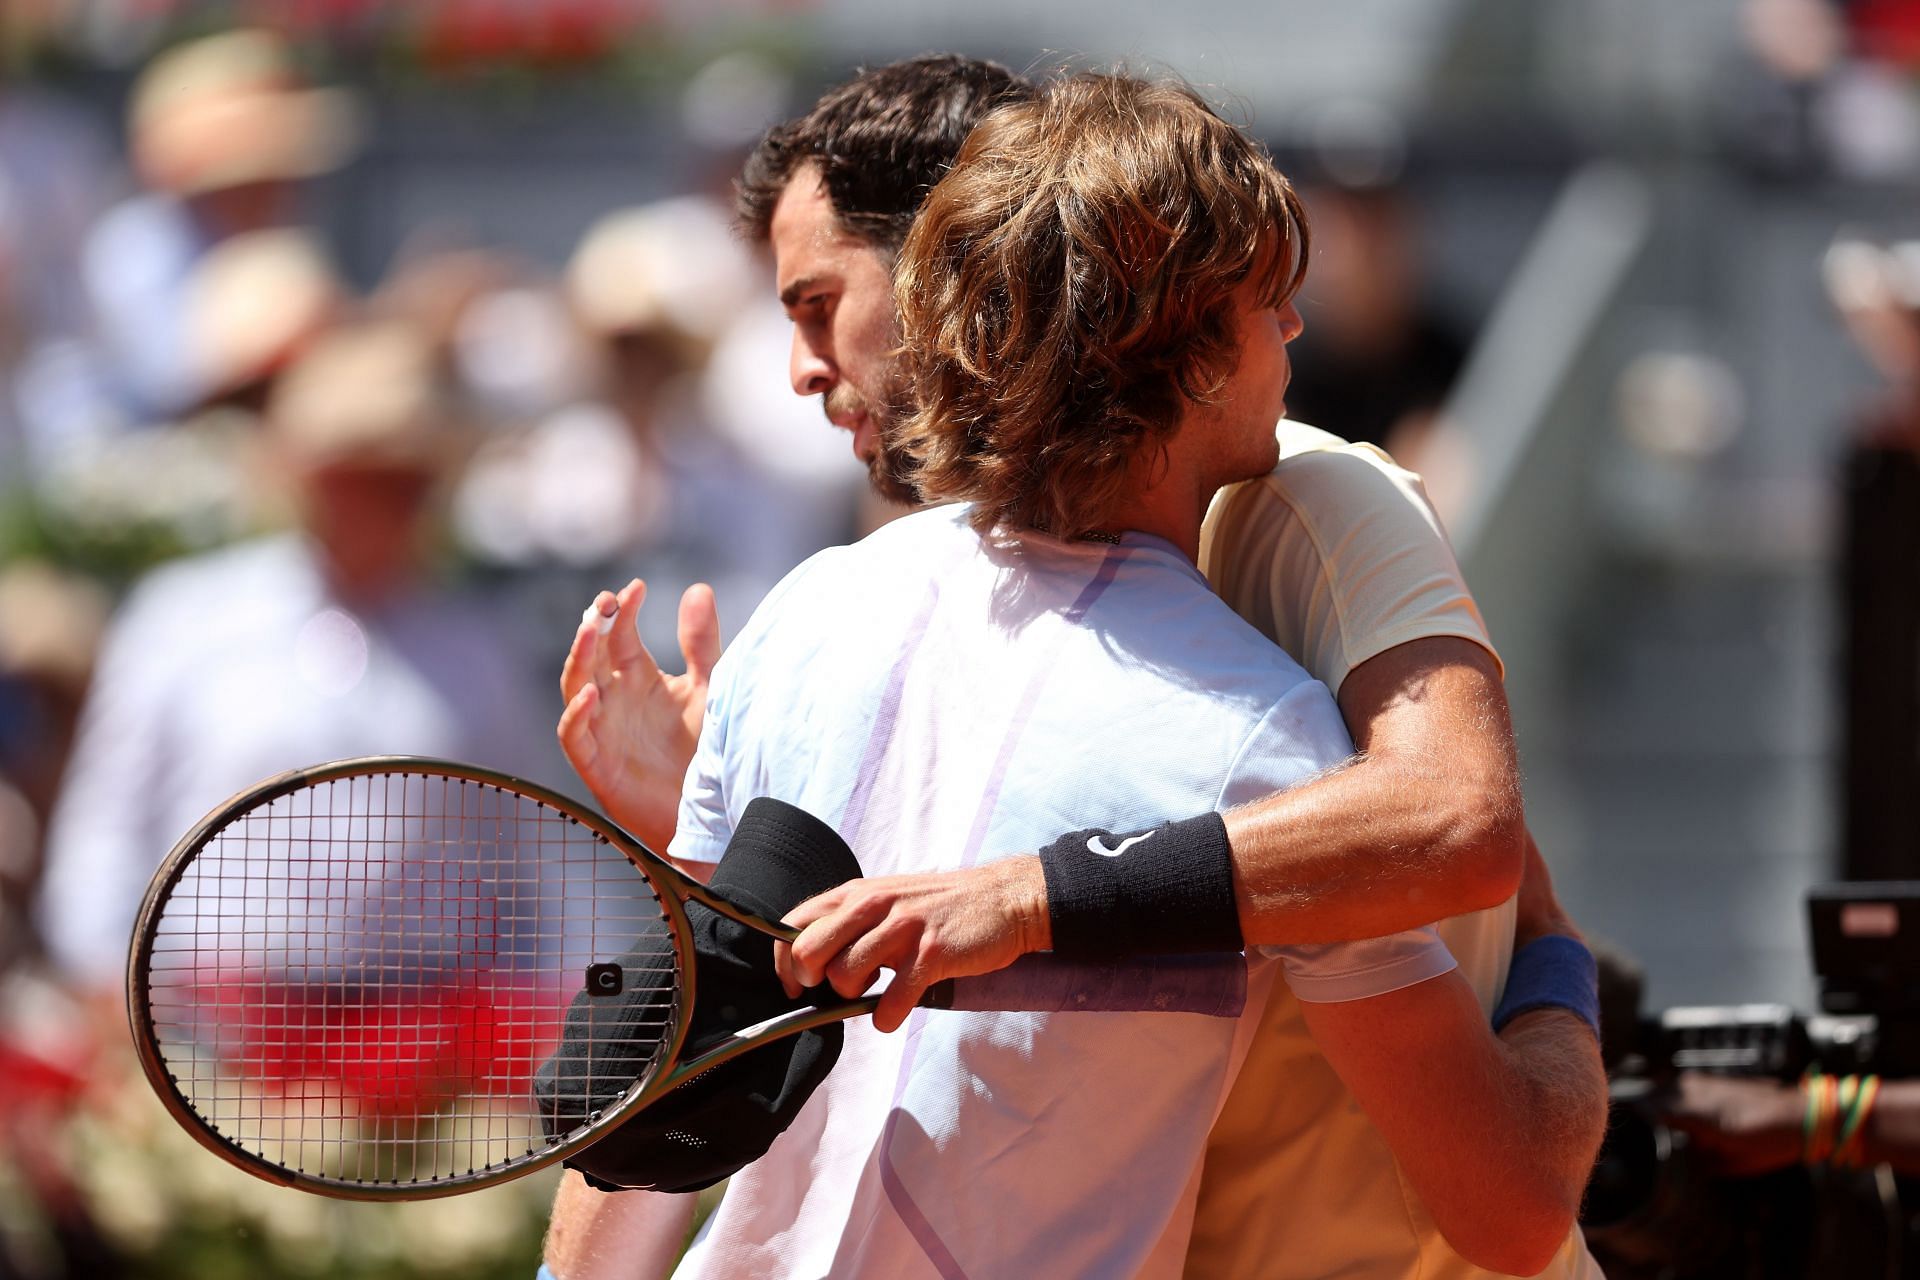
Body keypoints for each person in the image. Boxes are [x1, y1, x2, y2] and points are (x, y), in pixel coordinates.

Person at [547, 67, 1605, 1280]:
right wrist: (1558, 968)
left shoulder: (797, 618)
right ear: (1194, 347)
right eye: (1269, 299)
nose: (1299, 328)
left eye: (819, 301)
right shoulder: (1274, 738)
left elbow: (647, 1110)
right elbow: (1514, 1204)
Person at [35, 320, 554, 995]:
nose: (384, 504)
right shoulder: (185, 619)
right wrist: (109, 988)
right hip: (214, 1032)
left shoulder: (480, 648)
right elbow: (104, 833)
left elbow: (542, 860)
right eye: (359, 477)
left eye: (404, 481)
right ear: (305, 478)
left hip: (426, 1034)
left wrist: (549, 1024)